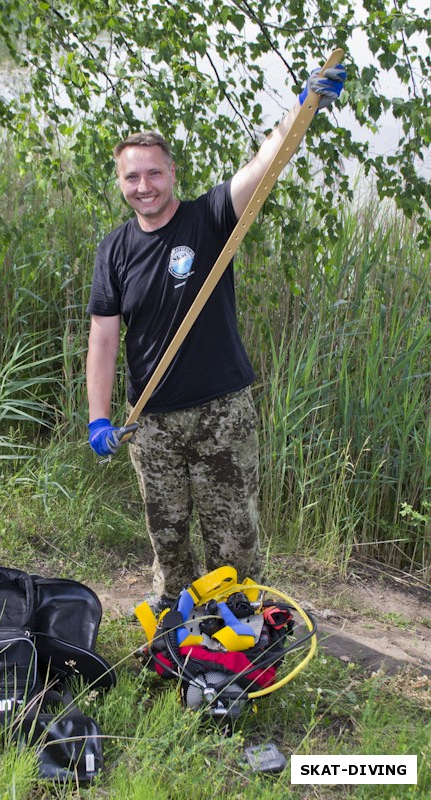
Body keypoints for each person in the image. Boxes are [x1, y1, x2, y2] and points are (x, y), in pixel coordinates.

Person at [85, 65, 346, 611]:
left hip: (222, 412)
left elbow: (264, 165)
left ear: (171, 173)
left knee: (233, 535)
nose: (143, 186)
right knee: (168, 537)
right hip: (150, 421)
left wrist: (303, 112)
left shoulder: (209, 217)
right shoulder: (113, 251)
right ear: (120, 182)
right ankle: (177, 632)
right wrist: (99, 418)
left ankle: (242, 627)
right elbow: (103, 342)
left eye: (153, 174)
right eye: (132, 177)